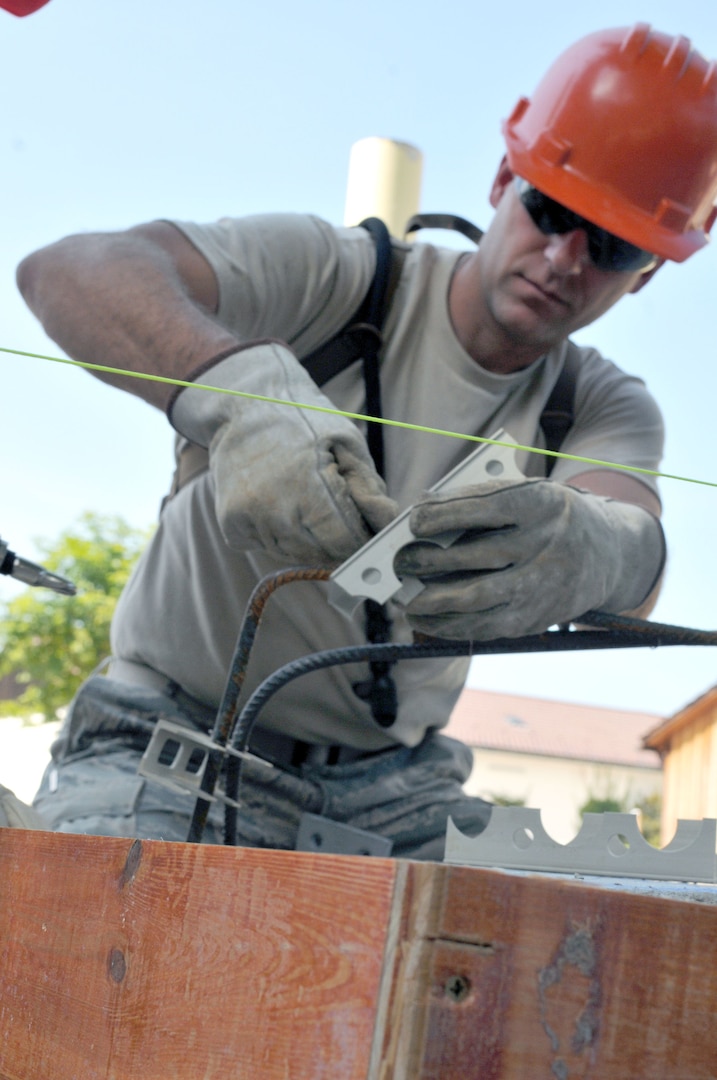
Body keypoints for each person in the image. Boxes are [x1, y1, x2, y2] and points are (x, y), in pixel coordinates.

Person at [16, 24, 717, 858]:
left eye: (609, 245)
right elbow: (66, 271)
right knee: (109, 942)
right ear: (503, 180)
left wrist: (596, 550)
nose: (563, 257)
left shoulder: (599, 404)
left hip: (395, 790)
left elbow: (631, 536)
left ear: (648, 270)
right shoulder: (339, 278)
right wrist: (235, 393)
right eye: (551, 210)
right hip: (166, 740)